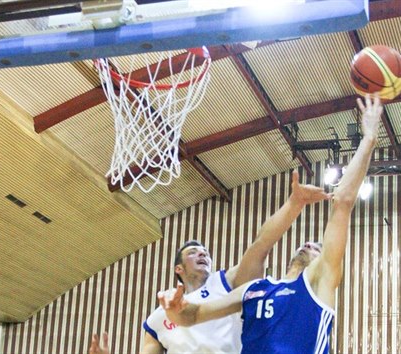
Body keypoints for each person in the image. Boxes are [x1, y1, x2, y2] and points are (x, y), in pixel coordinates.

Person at [158, 94, 382, 354]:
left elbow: (342, 201)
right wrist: (175, 312)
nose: (308, 244)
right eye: (307, 243)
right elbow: (194, 316)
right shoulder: (255, 289)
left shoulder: (317, 282)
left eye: (317, 248)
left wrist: (368, 140)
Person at [90, 167, 333, 353]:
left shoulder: (227, 283)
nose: (203, 253)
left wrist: (293, 205)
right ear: (178, 268)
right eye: (193, 251)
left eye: (205, 251)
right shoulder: (158, 316)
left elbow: (261, 246)